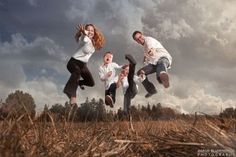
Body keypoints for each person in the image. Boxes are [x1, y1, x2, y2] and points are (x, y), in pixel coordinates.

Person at [63, 24, 105, 105]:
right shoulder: (83, 38)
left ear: (94, 32)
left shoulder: (93, 43)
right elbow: (84, 38)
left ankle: (79, 83)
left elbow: (90, 39)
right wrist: (84, 33)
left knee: (91, 83)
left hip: (83, 65)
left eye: (92, 30)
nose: (90, 32)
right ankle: (71, 95)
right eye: (88, 30)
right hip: (73, 62)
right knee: (77, 73)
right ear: (85, 31)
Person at [132, 30, 172, 98]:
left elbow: (151, 48)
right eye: (137, 39)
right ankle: (151, 90)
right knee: (140, 73)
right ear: (137, 42)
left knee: (160, 63)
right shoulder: (144, 48)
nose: (140, 39)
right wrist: (145, 63)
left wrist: (151, 51)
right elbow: (147, 59)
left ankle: (161, 76)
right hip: (154, 64)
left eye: (140, 37)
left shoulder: (149, 40)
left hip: (164, 58)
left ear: (142, 35)